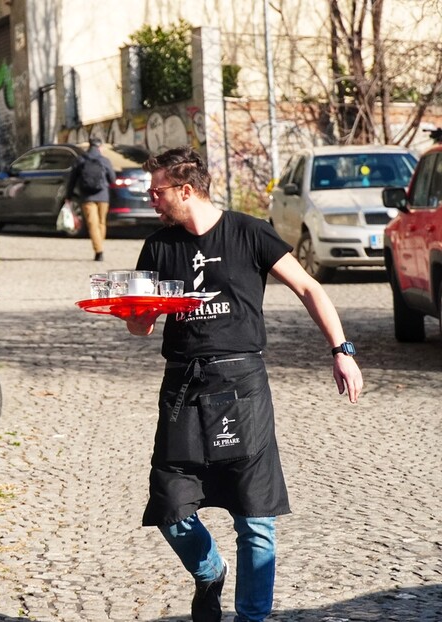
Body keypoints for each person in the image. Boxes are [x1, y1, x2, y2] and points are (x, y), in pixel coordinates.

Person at [124, 147, 363, 622]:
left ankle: (251, 618)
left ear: (186, 190)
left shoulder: (250, 232)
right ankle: (209, 570)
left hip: (242, 385)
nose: (151, 199)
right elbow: (139, 328)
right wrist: (141, 310)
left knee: (255, 518)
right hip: (182, 387)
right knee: (170, 506)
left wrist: (342, 351)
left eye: (157, 191)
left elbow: (309, 288)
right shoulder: (158, 246)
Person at [65, 137, 116, 261]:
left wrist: (69, 196)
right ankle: (100, 246)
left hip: (87, 196)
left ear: (89, 146)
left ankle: (99, 251)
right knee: (101, 223)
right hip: (103, 196)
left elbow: (72, 180)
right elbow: (112, 179)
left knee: (92, 224)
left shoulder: (80, 160)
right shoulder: (105, 160)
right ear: (100, 147)